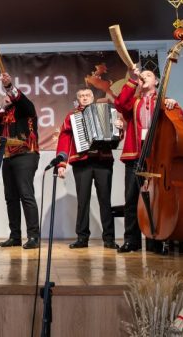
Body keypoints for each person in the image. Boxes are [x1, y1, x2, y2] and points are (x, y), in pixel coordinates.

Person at [113, 67, 183, 253]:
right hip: (135, 156)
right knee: (131, 199)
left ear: (157, 82)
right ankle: (131, 241)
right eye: (142, 75)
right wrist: (132, 80)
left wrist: (174, 105)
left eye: (148, 75)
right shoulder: (134, 102)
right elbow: (120, 103)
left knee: (155, 200)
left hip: (157, 158)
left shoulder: (164, 102)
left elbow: (181, 123)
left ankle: (156, 240)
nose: (144, 76)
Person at [56, 89, 120, 250]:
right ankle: (82, 238)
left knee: (105, 200)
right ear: (78, 99)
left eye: (87, 96)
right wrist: (62, 164)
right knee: (83, 201)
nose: (84, 98)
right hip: (82, 162)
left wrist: (119, 128)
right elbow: (64, 139)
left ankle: (109, 239)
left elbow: (116, 135)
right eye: (81, 96)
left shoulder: (106, 111)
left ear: (92, 97)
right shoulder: (72, 116)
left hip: (103, 161)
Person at [0, 72, 41, 249]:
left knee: (26, 194)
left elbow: (20, 99)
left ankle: (33, 236)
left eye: (11, 95)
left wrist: (9, 86)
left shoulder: (26, 107)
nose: (9, 97)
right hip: (8, 156)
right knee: (10, 197)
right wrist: (2, 105)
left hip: (26, 154)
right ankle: (15, 236)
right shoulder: (5, 114)